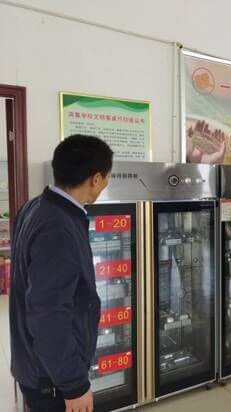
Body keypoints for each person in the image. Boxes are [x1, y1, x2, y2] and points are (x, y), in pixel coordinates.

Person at [10, 134, 113, 412]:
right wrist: (74, 384)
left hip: (35, 364)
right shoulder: (58, 226)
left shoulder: (36, 207)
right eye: (106, 178)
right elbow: (49, 313)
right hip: (51, 378)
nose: (106, 184)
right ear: (95, 179)